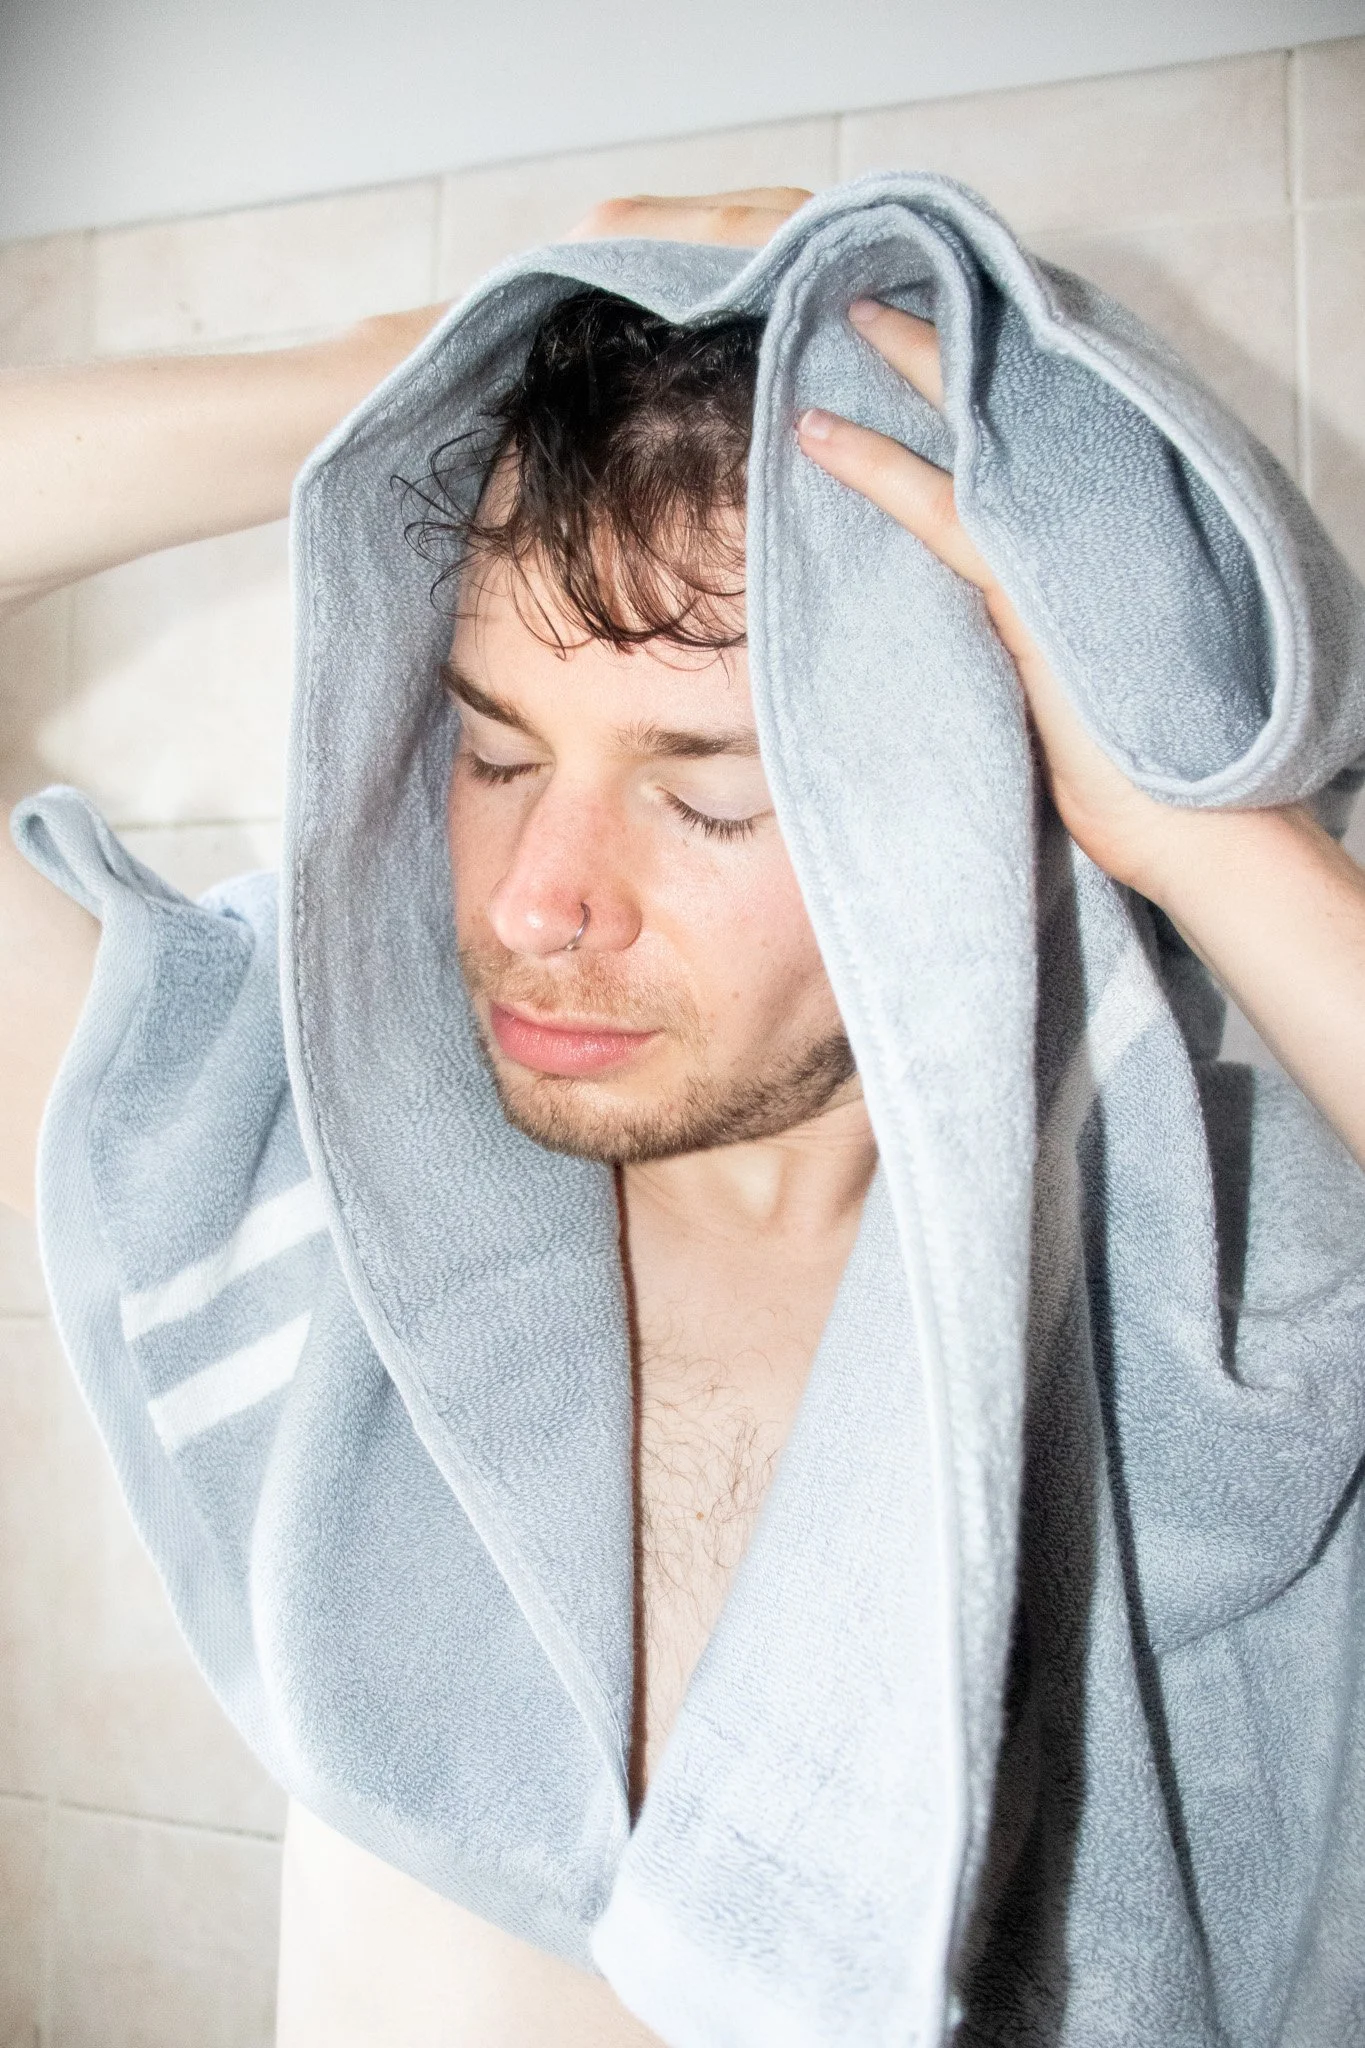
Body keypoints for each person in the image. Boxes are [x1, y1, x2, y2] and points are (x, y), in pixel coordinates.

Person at [1, 184, 1363, 2047]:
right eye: (492, 752)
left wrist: (1198, 833)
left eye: (707, 798)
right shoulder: (291, 1123)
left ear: (967, 799)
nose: (536, 902)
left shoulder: (1200, 1276)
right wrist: (386, 371)